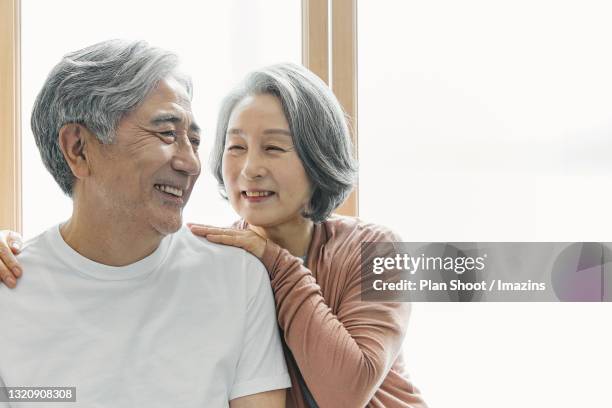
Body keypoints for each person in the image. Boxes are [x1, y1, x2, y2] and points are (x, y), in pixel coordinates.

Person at [1, 63, 428, 407]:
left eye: (274, 148)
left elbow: (344, 393)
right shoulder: (227, 262)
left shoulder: (377, 249)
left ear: (319, 159)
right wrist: (19, 248)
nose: (249, 168)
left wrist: (277, 264)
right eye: (235, 147)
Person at [0, 40, 289, 407]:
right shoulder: (10, 291)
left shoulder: (238, 278)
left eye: (194, 140)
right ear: (78, 148)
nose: (191, 163)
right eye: (167, 133)